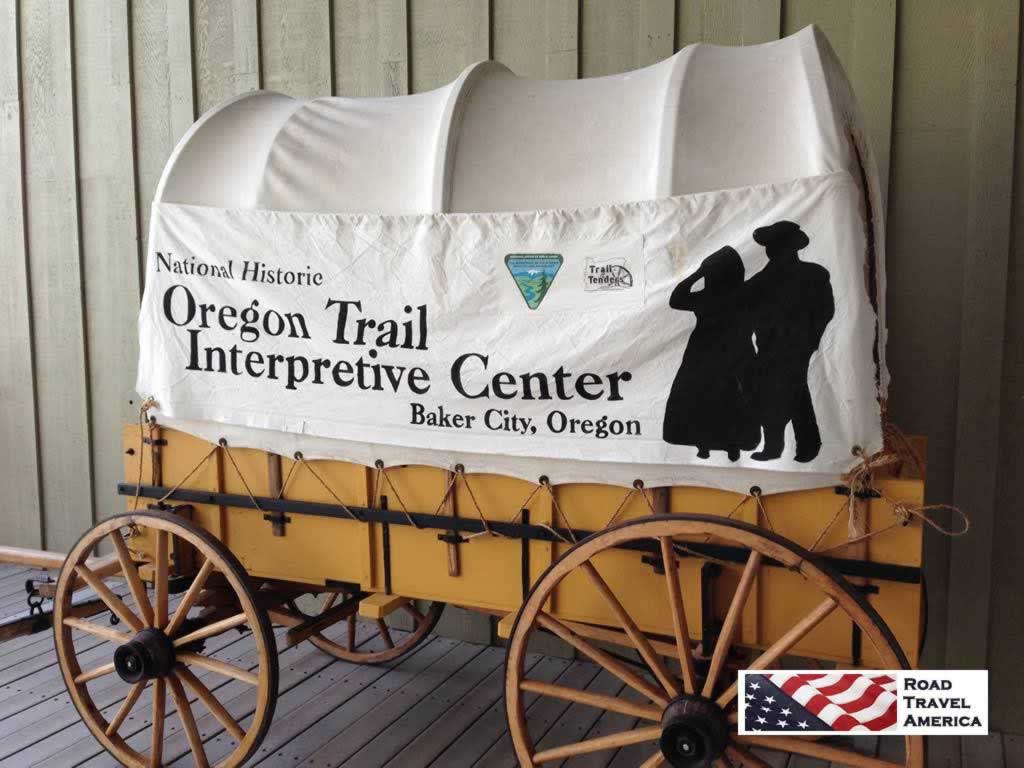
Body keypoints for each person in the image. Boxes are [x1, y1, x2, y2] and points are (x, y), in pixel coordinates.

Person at [744, 221, 834, 462]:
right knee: (786, 392)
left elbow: (826, 310)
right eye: (769, 245)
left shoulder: (814, 274)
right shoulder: (761, 280)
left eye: (775, 245)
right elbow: (741, 306)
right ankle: (802, 446)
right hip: (769, 347)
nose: (770, 250)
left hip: (795, 347)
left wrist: (809, 340)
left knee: (786, 392)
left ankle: (790, 446)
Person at [663, 246, 760, 461]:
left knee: (702, 398)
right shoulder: (747, 294)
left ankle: (707, 444)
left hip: (705, 353)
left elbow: (677, 298)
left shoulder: (709, 296)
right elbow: (675, 300)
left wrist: (699, 273)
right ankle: (728, 445)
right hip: (734, 352)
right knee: (729, 399)